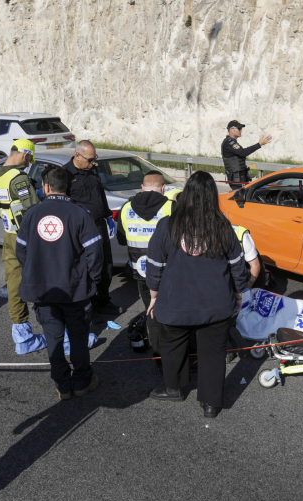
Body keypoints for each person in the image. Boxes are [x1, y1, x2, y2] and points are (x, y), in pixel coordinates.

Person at [146, 171, 249, 418]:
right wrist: (238, 294)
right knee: (213, 352)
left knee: (172, 346)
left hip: (175, 303)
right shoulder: (223, 226)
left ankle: (175, 388)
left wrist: (153, 296)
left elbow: (154, 266)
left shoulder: (167, 225)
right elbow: (237, 265)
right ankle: (211, 403)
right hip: (216, 304)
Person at [16, 165, 103, 400]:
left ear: (45, 186)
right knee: (77, 338)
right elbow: (95, 252)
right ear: (67, 186)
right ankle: (82, 382)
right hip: (75, 290)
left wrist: (34, 275)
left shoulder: (32, 214)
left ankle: (63, 386)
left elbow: (21, 252)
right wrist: (92, 280)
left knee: (53, 340)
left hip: (43, 291)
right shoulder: (79, 213)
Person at [0, 139, 47, 355]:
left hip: (9, 233)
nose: (29, 163)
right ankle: (48, 329)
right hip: (25, 237)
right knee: (43, 279)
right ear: (24, 154)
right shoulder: (19, 178)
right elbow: (33, 212)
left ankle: (21, 333)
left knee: (14, 283)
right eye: (30, 158)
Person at [116, 171, 175, 352]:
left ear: (142, 187)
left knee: (152, 313)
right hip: (169, 273)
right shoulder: (171, 207)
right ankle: (174, 352)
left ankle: (159, 355)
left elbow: (120, 239)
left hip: (142, 273)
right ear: (163, 188)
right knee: (174, 313)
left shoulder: (126, 208)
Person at [64, 140, 119, 314]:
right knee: (87, 266)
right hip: (82, 230)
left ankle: (102, 301)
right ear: (77, 155)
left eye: (94, 159)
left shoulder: (93, 170)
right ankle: (87, 303)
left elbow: (99, 193)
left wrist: (108, 214)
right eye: (89, 159)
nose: (93, 163)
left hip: (99, 224)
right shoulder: (66, 174)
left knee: (105, 265)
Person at [221, 120, 272, 190]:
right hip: (236, 179)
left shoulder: (231, 142)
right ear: (231, 130)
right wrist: (259, 144)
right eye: (239, 128)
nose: (241, 130)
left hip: (240, 177)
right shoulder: (229, 143)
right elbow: (243, 152)